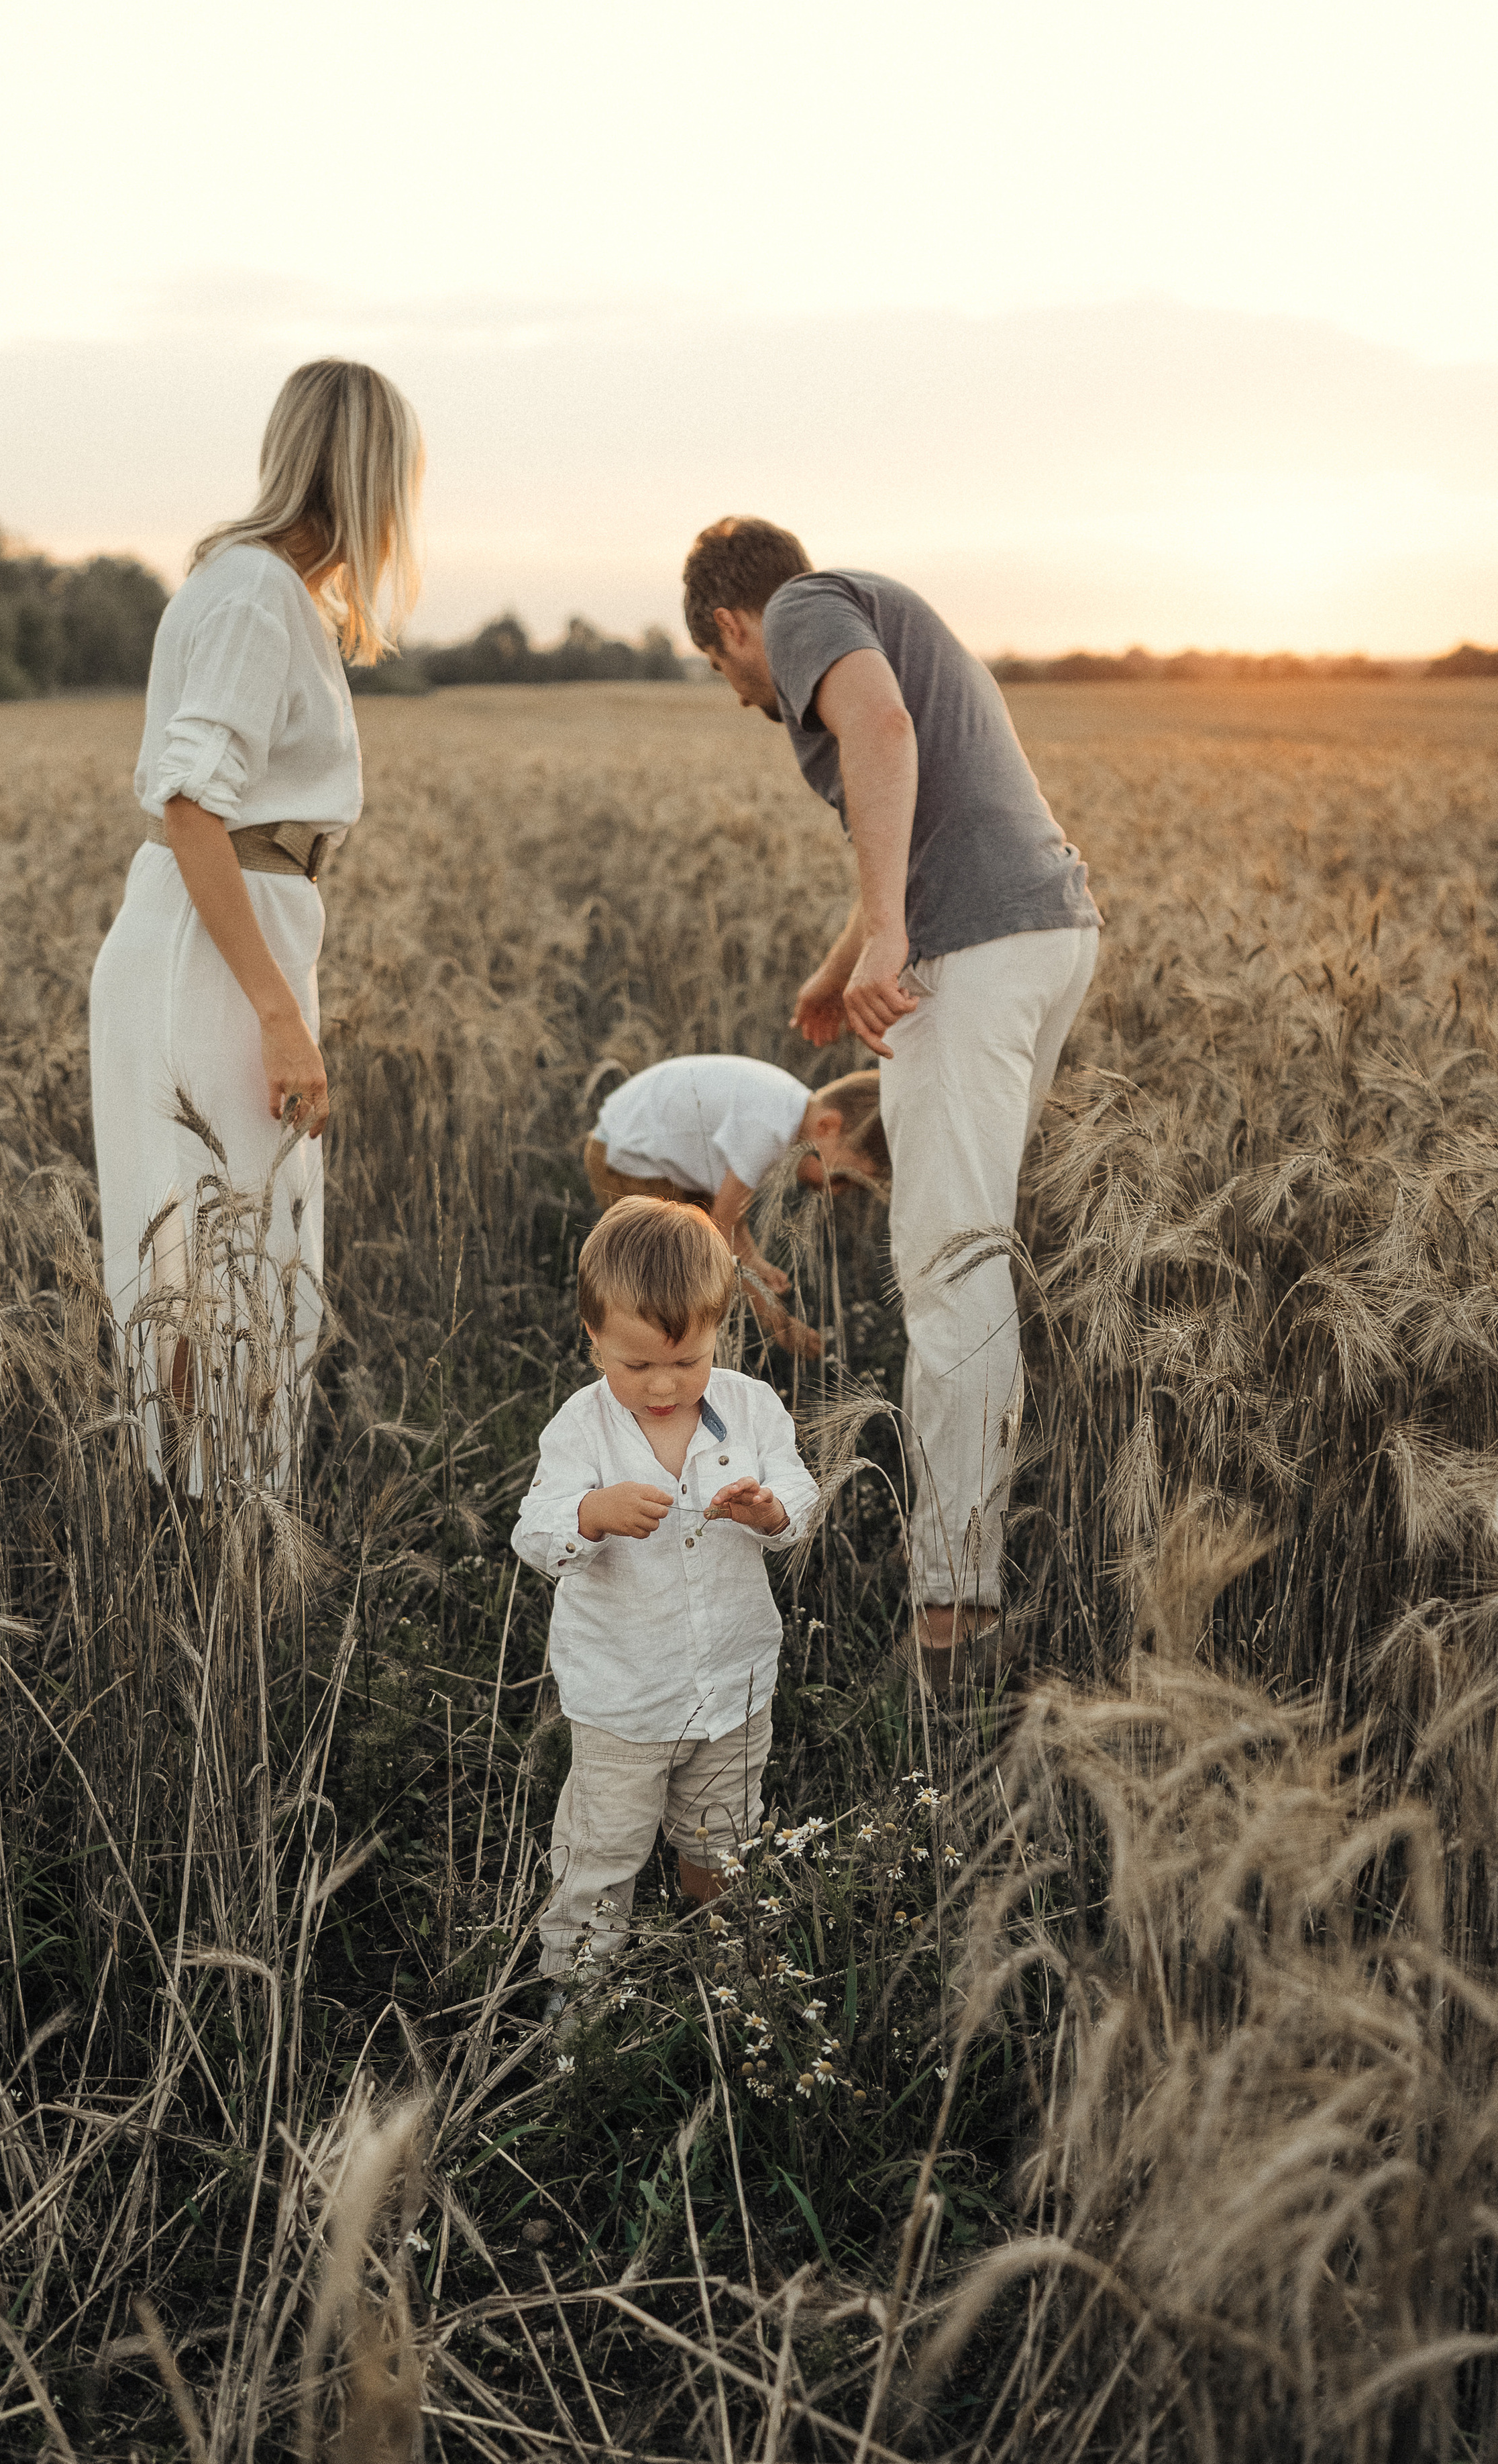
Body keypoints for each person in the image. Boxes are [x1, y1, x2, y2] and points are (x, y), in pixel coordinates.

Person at [682, 517, 1101, 1681]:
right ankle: (986, 1562)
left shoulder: (805, 607)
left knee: (950, 1276)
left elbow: (881, 731)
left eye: (726, 671)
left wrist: (894, 942)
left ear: (730, 625)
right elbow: (906, 805)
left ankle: (955, 1613)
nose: (740, 695)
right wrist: (843, 960)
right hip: (1044, 934)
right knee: (976, 1260)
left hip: (972, 952)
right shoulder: (864, 606)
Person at [89, 358, 423, 1483]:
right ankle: (211, 1536)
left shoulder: (273, 593)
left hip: (240, 928)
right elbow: (191, 805)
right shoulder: (251, 593)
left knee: (246, 1243)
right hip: (213, 947)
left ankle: (226, 1532)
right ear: (376, 471)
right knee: (211, 1246)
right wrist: (277, 1013)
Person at [512, 1198, 818, 1990]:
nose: (660, 1385)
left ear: (720, 1330)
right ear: (593, 1342)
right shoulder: (581, 1430)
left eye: (686, 1362)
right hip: (624, 1698)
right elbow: (535, 1528)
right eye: (633, 1364)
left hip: (734, 1684)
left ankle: (719, 1970)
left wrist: (772, 1510)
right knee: (602, 1852)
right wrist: (591, 1513)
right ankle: (575, 1999)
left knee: (721, 1841)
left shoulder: (751, 1407)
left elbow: (798, 1489)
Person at [582, 1054, 889, 1357]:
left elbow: (728, 1207)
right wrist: (776, 1321)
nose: (836, 1192)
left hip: (648, 1147)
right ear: (827, 1126)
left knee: (681, 1271)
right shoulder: (769, 1130)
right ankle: (640, 1361)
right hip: (629, 1159)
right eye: (842, 1178)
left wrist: (753, 1260)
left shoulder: (787, 1107)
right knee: (666, 1281)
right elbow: (721, 1229)